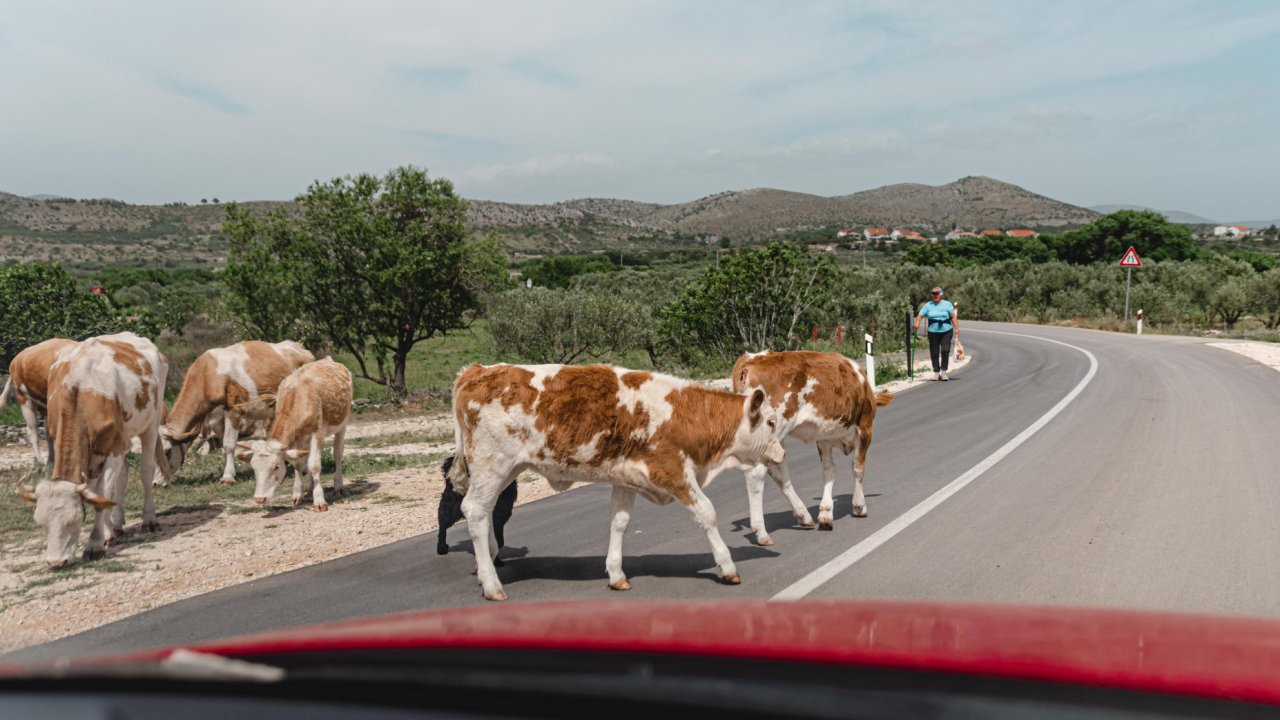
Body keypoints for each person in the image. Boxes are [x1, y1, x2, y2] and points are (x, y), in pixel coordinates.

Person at [914, 287, 958, 381]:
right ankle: (936, 372)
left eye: (937, 293)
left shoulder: (947, 304)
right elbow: (920, 315)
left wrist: (957, 329)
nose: (935, 295)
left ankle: (944, 372)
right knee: (934, 352)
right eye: (933, 293)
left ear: (941, 294)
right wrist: (917, 322)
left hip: (946, 330)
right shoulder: (928, 305)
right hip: (933, 331)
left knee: (945, 350)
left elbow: (953, 317)